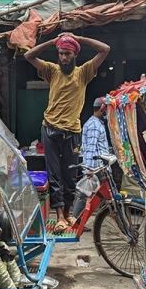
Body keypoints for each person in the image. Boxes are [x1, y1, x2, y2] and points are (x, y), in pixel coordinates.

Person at [25, 32, 110, 233]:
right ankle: (60, 217)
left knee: (70, 175)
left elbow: (105, 49)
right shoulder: (52, 70)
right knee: (54, 176)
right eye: (61, 53)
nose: (64, 57)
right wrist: (52, 42)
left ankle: (71, 213)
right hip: (50, 129)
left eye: (68, 54)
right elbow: (29, 55)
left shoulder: (84, 72)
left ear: (75, 55)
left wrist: (80, 39)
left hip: (72, 131)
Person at [81, 97, 110, 169]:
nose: (107, 112)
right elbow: (91, 148)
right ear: (102, 109)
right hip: (97, 168)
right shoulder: (94, 125)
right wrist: (89, 169)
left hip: (100, 167)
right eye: (106, 110)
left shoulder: (96, 123)